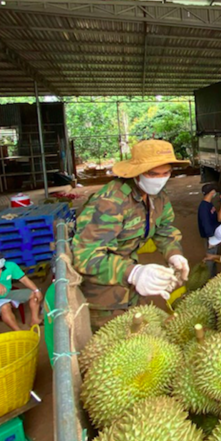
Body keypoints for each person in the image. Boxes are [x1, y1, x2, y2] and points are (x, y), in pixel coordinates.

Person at [71, 139, 191, 329]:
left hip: (132, 289)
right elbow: (85, 256)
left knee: (138, 336)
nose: (159, 179)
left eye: (165, 173)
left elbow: (164, 228)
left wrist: (174, 253)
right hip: (104, 297)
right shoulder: (110, 202)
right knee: (112, 348)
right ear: (137, 173)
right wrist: (133, 273)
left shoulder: (158, 196)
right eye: (152, 173)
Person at [197, 183, 219, 276]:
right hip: (211, 237)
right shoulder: (204, 207)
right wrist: (210, 239)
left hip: (214, 235)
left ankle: (213, 276)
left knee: (213, 258)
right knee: (210, 257)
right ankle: (208, 278)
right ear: (212, 192)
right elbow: (205, 223)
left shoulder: (209, 204)